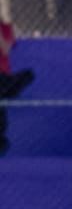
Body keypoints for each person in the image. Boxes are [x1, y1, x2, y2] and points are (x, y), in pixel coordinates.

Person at [0, 9, 34, 156]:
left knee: (28, 74)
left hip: (3, 76)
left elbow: (6, 50)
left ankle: (8, 91)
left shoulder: (6, 28)